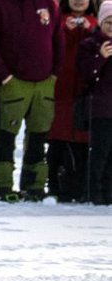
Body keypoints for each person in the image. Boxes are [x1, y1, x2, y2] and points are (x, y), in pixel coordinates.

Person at [0, 0, 58, 200]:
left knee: (38, 137)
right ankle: (2, 185)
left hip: (43, 82)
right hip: (13, 82)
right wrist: (4, 75)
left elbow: (58, 38)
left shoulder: (48, 4)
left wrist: (55, 73)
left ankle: (34, 184)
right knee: (6, 136)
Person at [49, 0, 99, 201]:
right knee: (56, 141)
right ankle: (54, 185)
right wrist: (64, 30)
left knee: (83, 142)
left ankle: (81, 187)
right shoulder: (56, 21)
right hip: (59, 91)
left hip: (86, 93)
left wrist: (91, 30)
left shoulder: (98, 23)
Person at [81, 1, 112, 204]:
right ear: (100, 22)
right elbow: (85, 74)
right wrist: (100, 57)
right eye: (108, 22)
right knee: (99, 152)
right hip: (101, 109)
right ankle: (94, 193)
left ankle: (109, 193)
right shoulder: (90, 44)